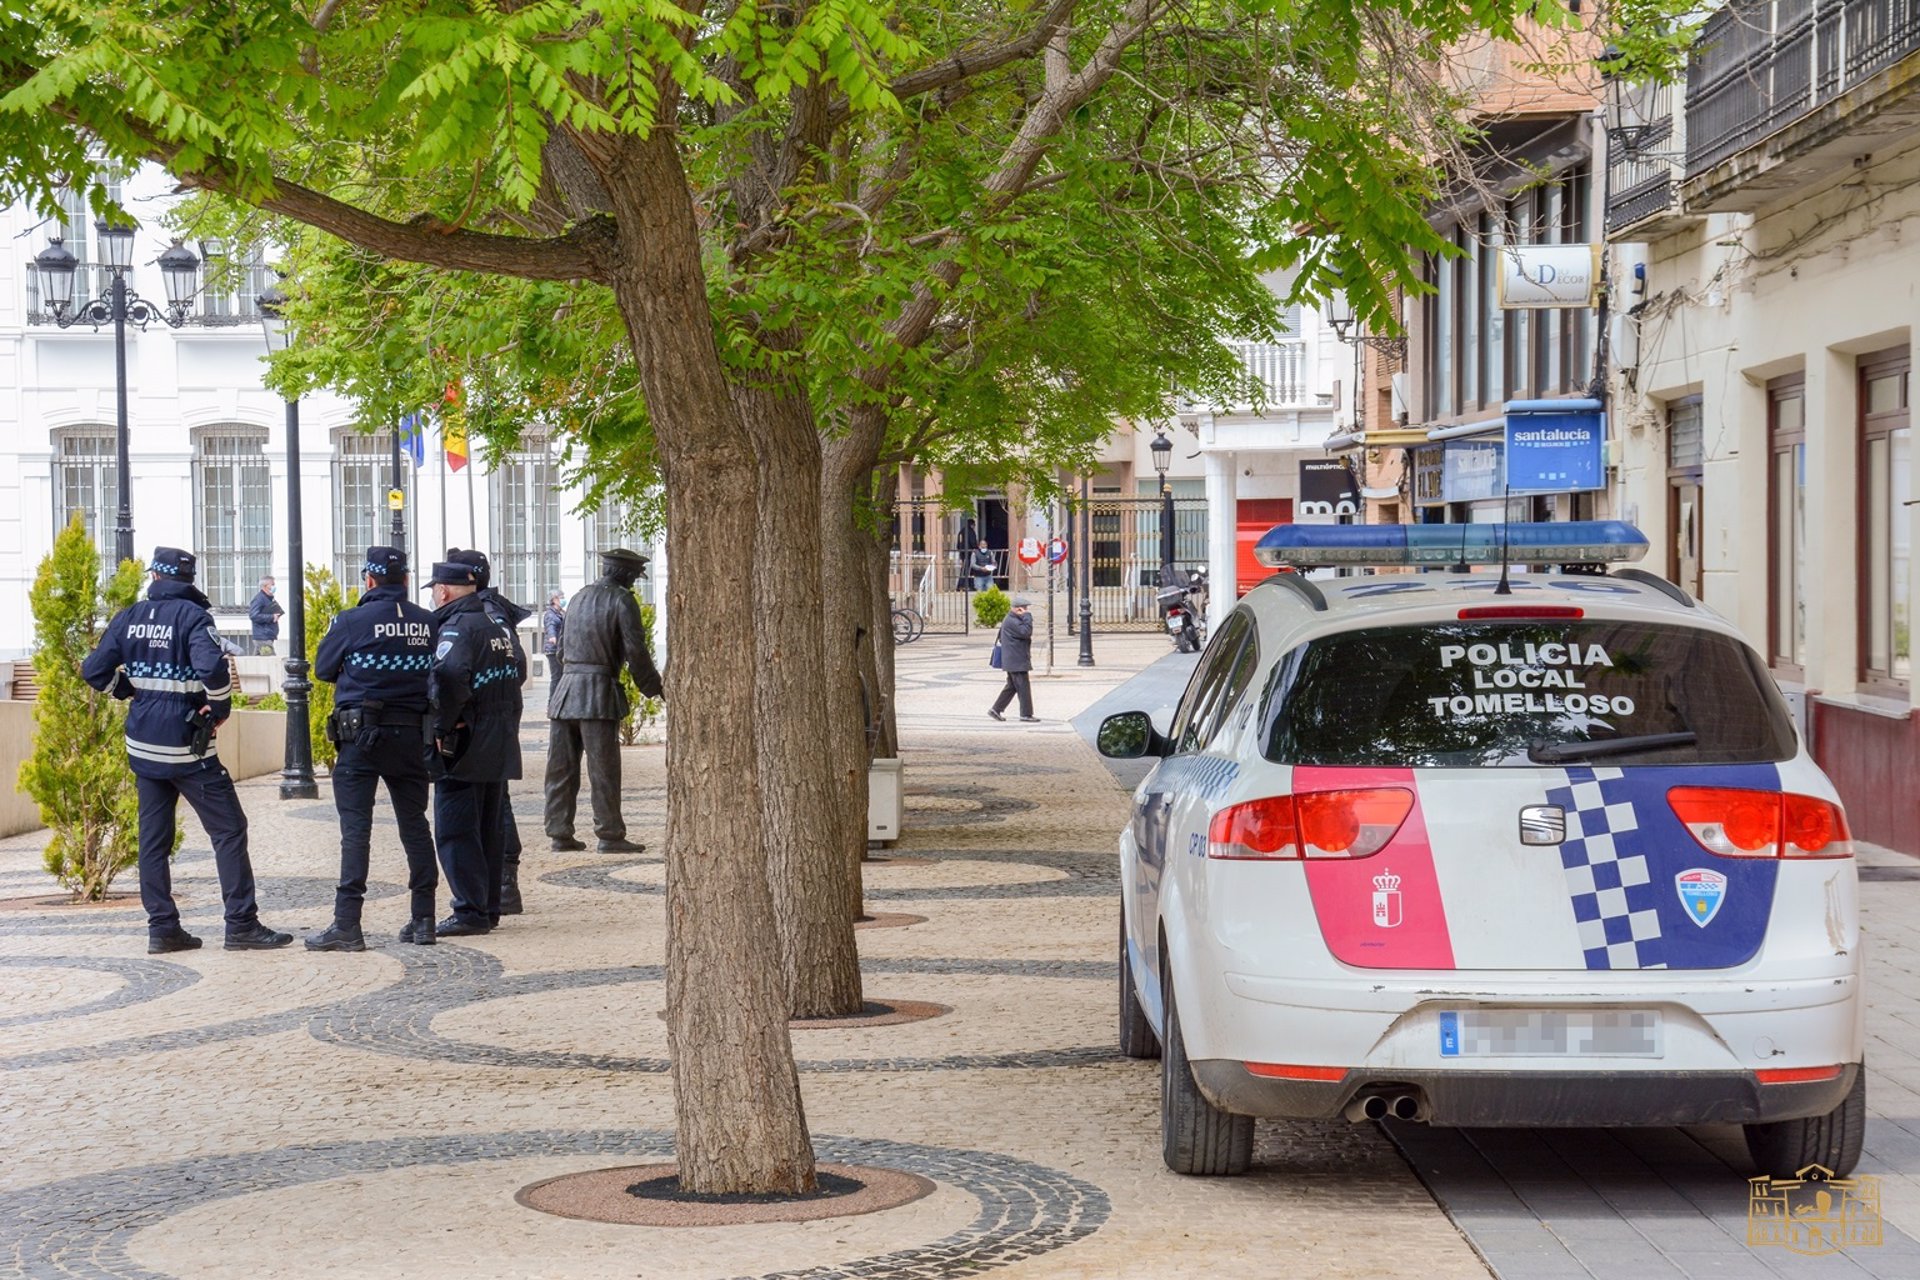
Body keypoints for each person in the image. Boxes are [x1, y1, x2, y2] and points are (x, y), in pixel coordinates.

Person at [80, 546, 292, 953]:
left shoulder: (130, 617)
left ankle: (162, 929)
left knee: (153, 842)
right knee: (229, 829)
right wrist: (223, 704)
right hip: (187, 750)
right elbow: (212, 668)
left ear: (156, 578)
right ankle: (241, 924)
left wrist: (127, 690)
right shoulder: (194, 617)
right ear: (188, 580)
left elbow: (94, 670)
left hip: (143, 747)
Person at [306, 546, 440, 952]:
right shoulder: (427, 621)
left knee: (355, 832)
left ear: (369, 580)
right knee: (415, 826)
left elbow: (324, 669)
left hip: (360, 739)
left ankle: (348, 924)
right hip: (411, 737)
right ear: (404, 580)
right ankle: (424, 919)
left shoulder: (351, 621)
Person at [426, 558, 526, 935]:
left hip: (466, 741)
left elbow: (450, 673)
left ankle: (469, 910)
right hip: (498, 737)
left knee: (455, 828)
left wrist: (443, 724)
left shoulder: (457, 628)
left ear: (443, 591)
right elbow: (517, 670)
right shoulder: (493, 623)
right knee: (489, 825)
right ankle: (487, 907)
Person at [545, 549, 663, 854]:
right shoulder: (623, 600)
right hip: (597, 692)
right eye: (635, 578)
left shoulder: (579, 597)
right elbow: (636, 651)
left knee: (561, 766)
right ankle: (609, 834)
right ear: (625, 575)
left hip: (566, 691)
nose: (636, 584)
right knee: (603, 768)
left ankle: (559, 832)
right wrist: (654, 687)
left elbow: (560, 652)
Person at [988, 596, 1038, 723]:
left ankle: (995, 709)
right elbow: (1026, 632)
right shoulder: (1012, 621)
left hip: (1014, 659)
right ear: (1017, 609)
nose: (1026, 610)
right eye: (1024, 608)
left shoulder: (1012, 619)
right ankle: (1026, 714)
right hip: (1016, 660)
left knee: (1012, 686)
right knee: (1023, 687)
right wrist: (1028, 617)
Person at [247, 576, 283, 656]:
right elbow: (253, 615)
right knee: (270, 660)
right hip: (263, 637)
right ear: (265, 586)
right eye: (272, 584)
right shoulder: (259, 599)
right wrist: (271, 617)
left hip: (266, 636)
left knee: (258, 661)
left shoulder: (268, 598)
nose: (274, 587)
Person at [542, 590, 566, 682]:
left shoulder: (560, 613)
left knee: (561, 677)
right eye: (562, 598)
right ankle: (553, 697)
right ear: (555, 600)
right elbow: (550, 626)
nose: (564, 600)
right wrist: (552, 637)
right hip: (553, 649)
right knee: (556, 677)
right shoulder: (551, 614)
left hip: (559, 648)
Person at [955, 516, 978, 590]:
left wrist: (960, 551)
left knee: (964, 569)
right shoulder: (971, 531)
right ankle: (966, 586)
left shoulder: (961, 531)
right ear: (972, 524)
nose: (974, 527)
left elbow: (958, 544)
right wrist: (977, 549)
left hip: (962, 553)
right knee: (969, 570)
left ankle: (962, 586)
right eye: (974, 525)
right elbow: (973, 542)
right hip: (969, 553)